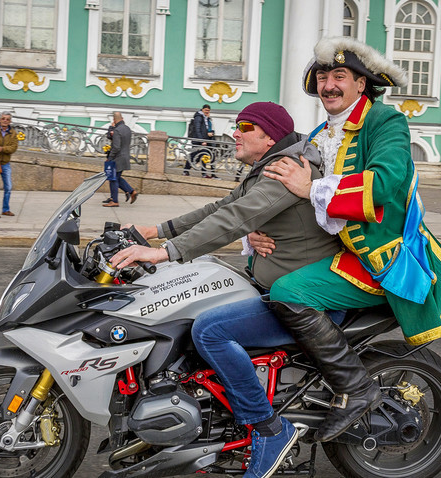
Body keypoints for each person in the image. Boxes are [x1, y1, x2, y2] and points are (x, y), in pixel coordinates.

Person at [251, 37, 441, 443]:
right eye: (322, 77)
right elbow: (291, 197)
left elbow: (384, 185)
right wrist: (257, 231)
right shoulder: (321, 134)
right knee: (253, 281)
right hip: (339, 252)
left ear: (361, 84)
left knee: (288, 291)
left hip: (381, 260)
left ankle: (356, 389)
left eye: (340, 76)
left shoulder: (384, 121)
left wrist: (313, 188)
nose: (329, 85)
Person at [108, 102, 342, 478]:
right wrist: (158, 230)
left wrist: (164, 253)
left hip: (304, 304)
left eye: (246, 126)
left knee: (209, 329)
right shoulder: (269, 167)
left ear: (268, 136)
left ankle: (269, 429)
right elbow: (224, 207)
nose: (236, 131)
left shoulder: (287, 170)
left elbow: (234, 220)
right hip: (277, 288)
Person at [102, 112, 138, 207]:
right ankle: (131, 191)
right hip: (125, 156)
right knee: (117, 177)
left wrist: (110, 158)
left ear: (114, 120)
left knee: (113, 179)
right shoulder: (127, 129)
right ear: (122, 118)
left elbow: (116, 147)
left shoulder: (117, 130)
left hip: (117, 158)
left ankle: (115, 201)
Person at [183, 104, 217, 178]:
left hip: (205, 140)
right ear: (202, 109)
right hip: (198, 141)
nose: (207, 112)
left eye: (208, 111)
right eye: (206, 110)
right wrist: (201, 140)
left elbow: (209, 128)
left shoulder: (207, 118)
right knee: (194, 156)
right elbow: (197, 129)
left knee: (203, 156)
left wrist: (211, 133)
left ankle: (203, 173)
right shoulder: (198, 117)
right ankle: (186, 170)